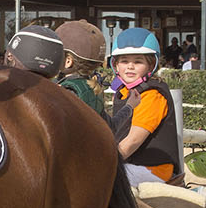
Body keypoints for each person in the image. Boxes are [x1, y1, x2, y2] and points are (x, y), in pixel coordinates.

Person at [109, 27, 181, 186]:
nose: (130, 66)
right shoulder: (123, 92)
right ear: (116, 65)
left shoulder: (151, 95)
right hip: (131, 164)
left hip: (153, 169)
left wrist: (105, 162)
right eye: (124, 61)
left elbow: (133, 140)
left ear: (151, 65)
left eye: (138, 61)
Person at [54, 20, 108, 117]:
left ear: (68, 61)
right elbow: (110, 125)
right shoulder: (95, 88)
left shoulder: (68, 89)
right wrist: (129, 106)